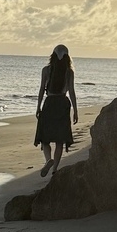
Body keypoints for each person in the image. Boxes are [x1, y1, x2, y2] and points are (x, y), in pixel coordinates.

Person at [34, 44, 78, 177]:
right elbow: (71, 91)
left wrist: (38, 106)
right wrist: (75, 110)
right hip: (62, 104)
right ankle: (54, 170)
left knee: (44, 137)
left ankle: (48, 160)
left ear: (52, 56)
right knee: (60, 140)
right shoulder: (69, 72)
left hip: (50, 103)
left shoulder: (46, 70)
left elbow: (42, 89)